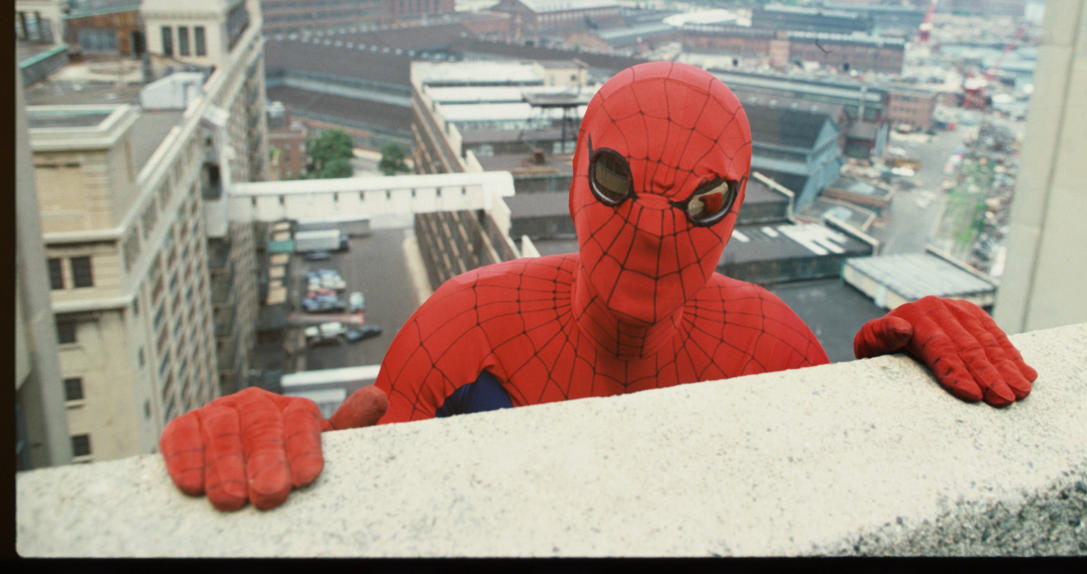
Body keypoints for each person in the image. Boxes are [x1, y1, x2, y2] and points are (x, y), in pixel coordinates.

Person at [161, 61, 1037, 511]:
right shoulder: (461, 328)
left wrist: (894, 388)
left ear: (736, 210)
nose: (655, 229)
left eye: (701, 202)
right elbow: (363, 495)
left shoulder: (777, 350)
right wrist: (297, 446)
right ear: (579, 178)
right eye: (619, 181)